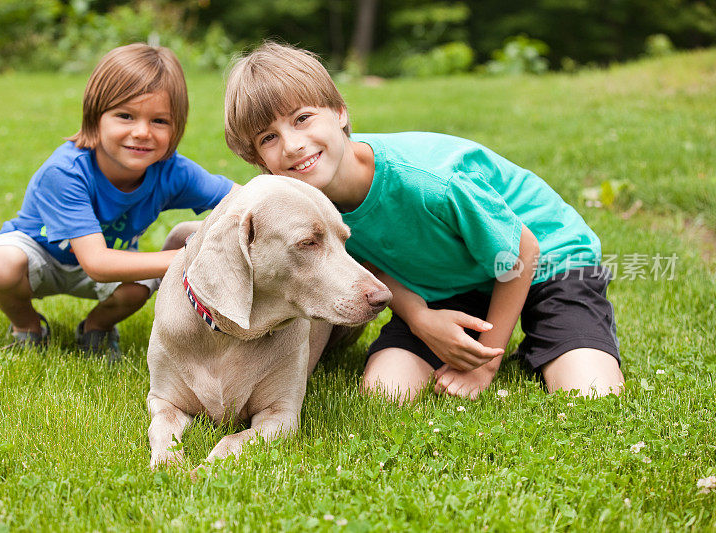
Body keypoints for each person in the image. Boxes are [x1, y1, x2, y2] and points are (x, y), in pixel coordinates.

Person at [223, 42, 624, 401]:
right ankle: (510, 339)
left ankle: (548, 338)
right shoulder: (305, 203)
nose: (292, 144)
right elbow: (366, 262)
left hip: (543, 262)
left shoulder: (430, 181)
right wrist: (419, 317)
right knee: (385, 392)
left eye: (302, 118)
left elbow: (522, 252)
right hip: (445, 282)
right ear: (261, 162)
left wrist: (484, 364)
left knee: (591, 394)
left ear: (340, 111)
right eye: (268, 138)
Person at [0, 43, 236, 361]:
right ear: (96, 117)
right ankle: (28, 328)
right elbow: (97, 264)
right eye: (125, 116)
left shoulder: (172, 171)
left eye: (159, 121)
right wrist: (192, 257)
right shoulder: (65, 171)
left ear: (177, 126)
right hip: (42, 255)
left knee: (141, 283)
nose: (141, 132)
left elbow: (244, 197)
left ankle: (96, 328)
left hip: (107, 259)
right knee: (0, 263)